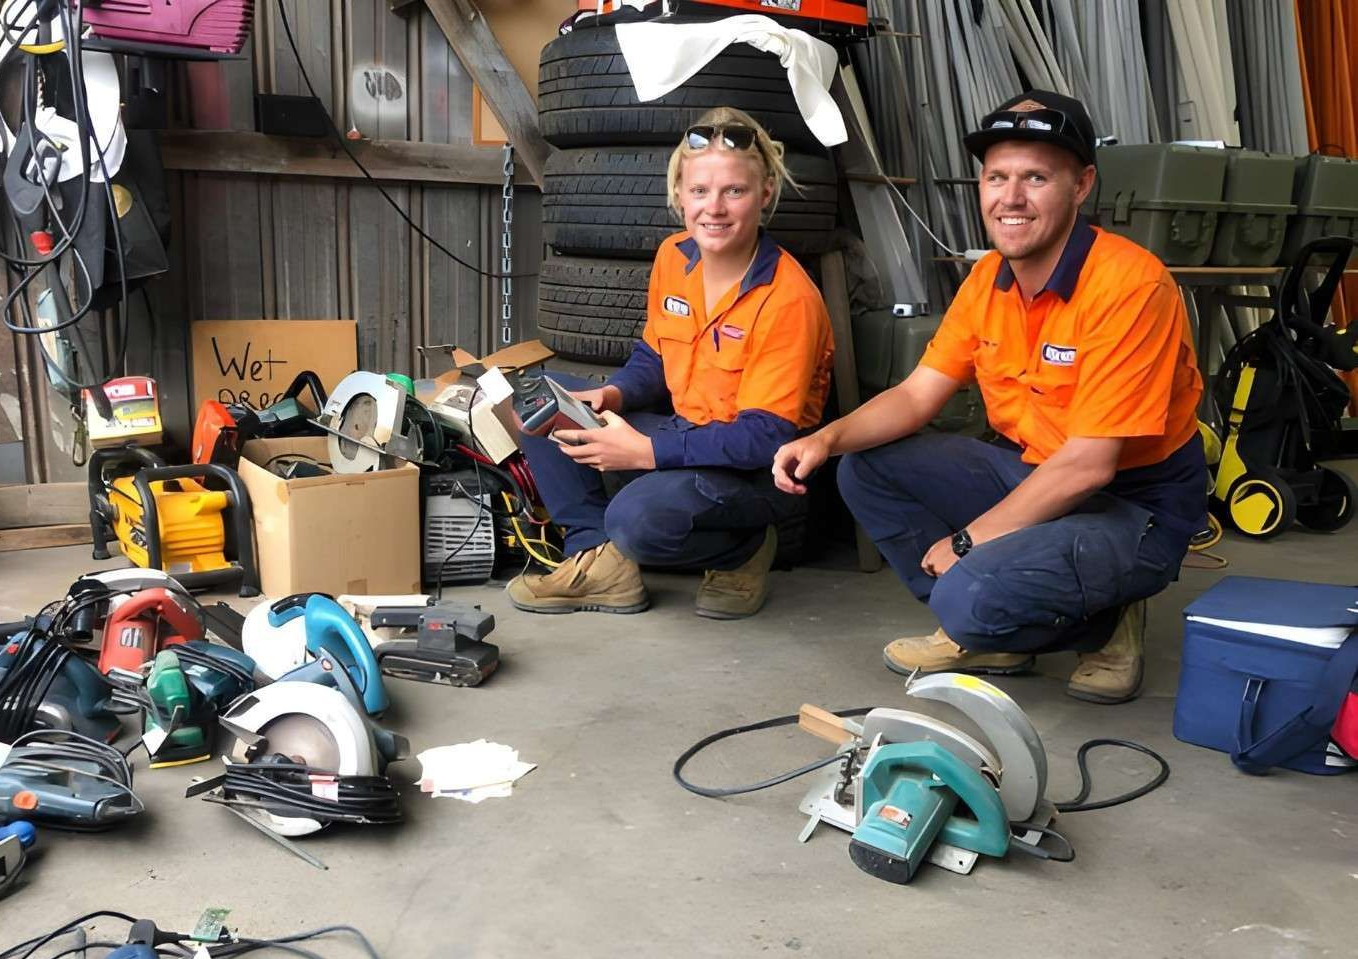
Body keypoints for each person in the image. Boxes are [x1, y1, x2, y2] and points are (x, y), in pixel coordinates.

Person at [773, 90, 1206, 703]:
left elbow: (1090, 463)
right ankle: (1003, 623)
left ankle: (1106, 617)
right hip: (1036, 474)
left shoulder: (1130, 286)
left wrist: (969, 542)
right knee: (865, 467)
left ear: (1081, 186)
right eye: (997, 177)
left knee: (965, 592)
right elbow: (918, 394)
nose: (1012, 198)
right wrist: (824, 438)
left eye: (1036, 177)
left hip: (1132, 507)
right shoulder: (986, 279)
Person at [509, 106, 834, 620]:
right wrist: (612, 395)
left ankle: (745, 551)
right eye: (700, 191)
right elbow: (655, 357)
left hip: (754, 475)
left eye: (735, 191)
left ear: (765, 193)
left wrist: (645, 451)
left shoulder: (788, 298)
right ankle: (597, 558)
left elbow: (765, 438)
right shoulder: (674, 257)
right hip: (685, 432)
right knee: (537, 399)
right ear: (680, 194)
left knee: (636, 520)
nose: (715, 209)